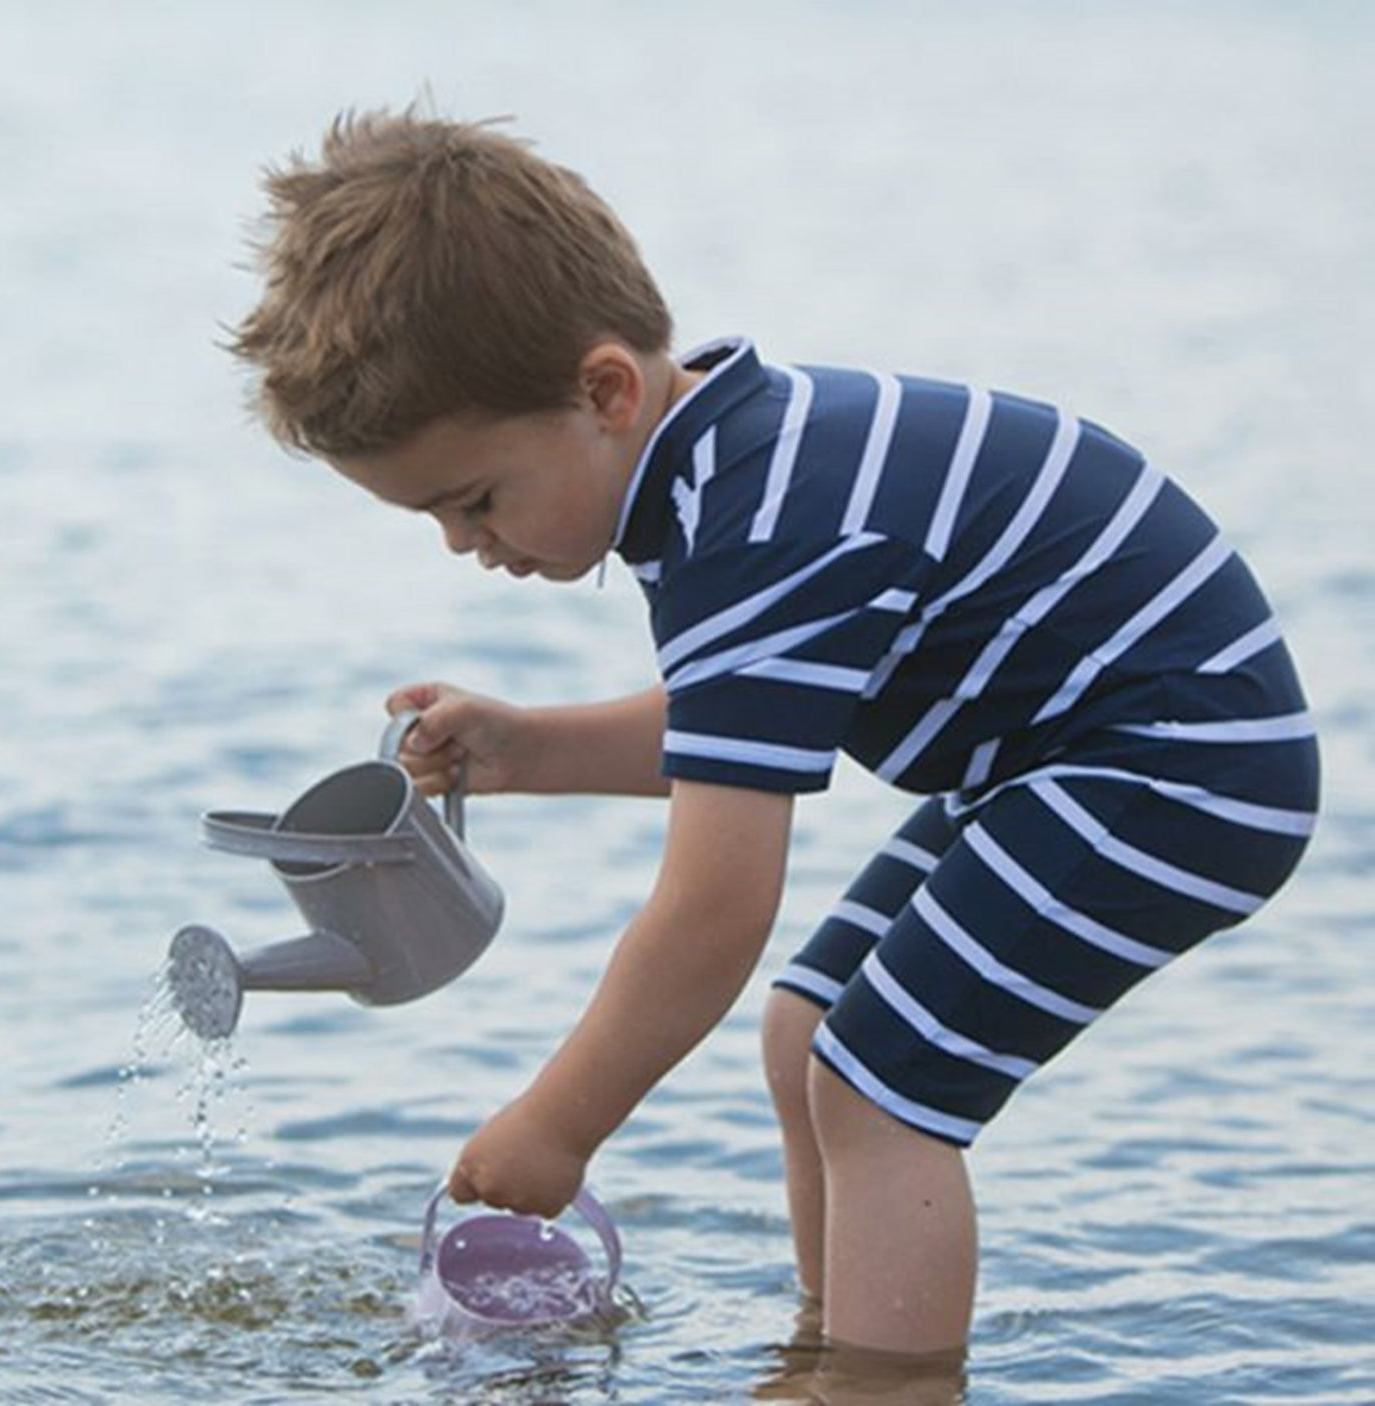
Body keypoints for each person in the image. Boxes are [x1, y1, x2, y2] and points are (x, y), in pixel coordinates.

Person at [227, 108, 1320, 1359]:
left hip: (1174, 761)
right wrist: (529, 748)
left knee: (882, 1082)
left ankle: (882, 1382)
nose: (465, 542)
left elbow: (713, 906)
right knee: (812, 1027)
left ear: (604, 390)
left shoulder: (753, 524)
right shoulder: (731, 468)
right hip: (1062, 752)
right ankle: (826, 1344)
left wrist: (559, 1119)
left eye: (476, 498)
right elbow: (742, 729)